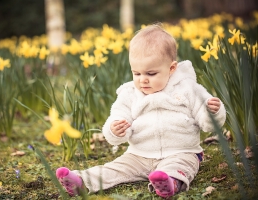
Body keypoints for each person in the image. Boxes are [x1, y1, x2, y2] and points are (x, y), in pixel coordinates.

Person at [55, 24, 226, 198]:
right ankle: (82, 181)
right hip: (138, 155)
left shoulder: (188, 89)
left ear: (171, 68)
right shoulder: (129, 94)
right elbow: (118, 115)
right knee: (115, 168)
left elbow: (208, 124)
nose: (143, 80)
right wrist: (115, 129)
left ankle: (169, 181)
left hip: (181, 152)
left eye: (151, 74)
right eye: (136, 73)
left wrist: (212, 112)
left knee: (179, 165)